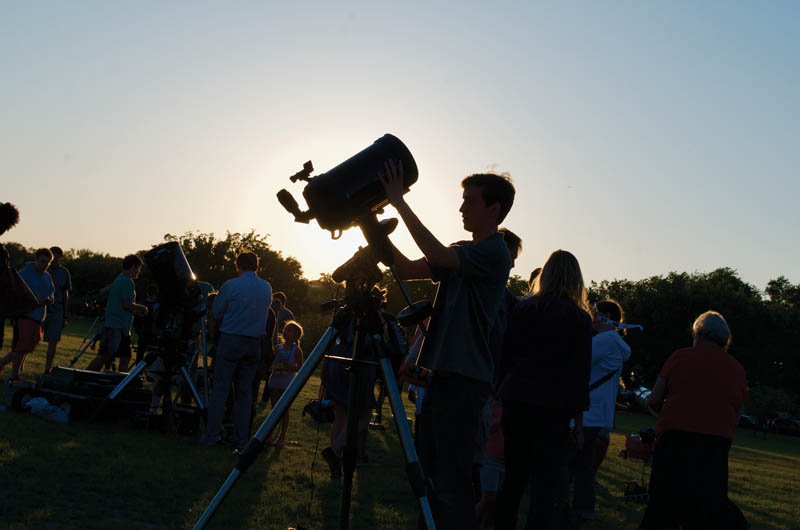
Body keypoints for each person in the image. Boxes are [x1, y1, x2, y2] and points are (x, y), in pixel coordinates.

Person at [378, 160, 515, 529]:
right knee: (432, 476)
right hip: (444, 377)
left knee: (452, 481)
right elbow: (407, 268)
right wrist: (370, 227)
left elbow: (439, 256)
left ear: (494, 209)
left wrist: (399, 203)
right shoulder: (463, 251)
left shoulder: (493, 252)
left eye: (469, 201)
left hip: (465, 381)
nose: (461, 208)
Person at [494, 249, 593, 530]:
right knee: (545, 485)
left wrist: (500, 392)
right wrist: (580, 424)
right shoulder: (579, 319)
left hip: (517, 400)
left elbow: (506, 355)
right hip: (554, 408)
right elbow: (579, 374)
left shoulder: (523, 309)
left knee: (513, 479)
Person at [640, 311, 749, 530]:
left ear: (697, 334)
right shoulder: (738, 370)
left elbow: (654, 398)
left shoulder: (680, 357)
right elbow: (737, 414)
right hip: (715, 443)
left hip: (674, 438)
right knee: (708, 502)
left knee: (663, 500)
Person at [201, 251, 271, 451]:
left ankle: (212, 435)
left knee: (220, 390)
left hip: (231, 339)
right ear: (257, 266)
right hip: (254, 342)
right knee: (245, 393)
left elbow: (217, 311)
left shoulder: (231, 285)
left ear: (237, 265)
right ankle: (241, 439)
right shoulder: (266, 287)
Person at [570, 299, 631, 522]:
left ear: (607, 317)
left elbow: (577, 360)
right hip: (595, 411)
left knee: (577, 460)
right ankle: (582, 507)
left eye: (596, 313)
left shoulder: (606, 340)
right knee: (583, 461)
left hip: (588, 411)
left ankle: (578, 507)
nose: (592, 317)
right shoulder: (611, 341)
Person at [86, 255, 149, 373]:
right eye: (138, 268)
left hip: (119, 326)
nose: (139, 271)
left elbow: (122, 305)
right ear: (133, 267)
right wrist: (142, 307)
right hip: (117, 327)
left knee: (125, 358)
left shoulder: (119, 279)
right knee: (105, 356)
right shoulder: (127, 282)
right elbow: (127, 304)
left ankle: (120, 384)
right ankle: (84, 375)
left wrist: (135, 311)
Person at [0, 248, 54, 380]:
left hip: (39, 316)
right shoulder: (24, 273)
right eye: (42, 262)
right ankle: (14, 376)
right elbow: (16, 292)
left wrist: (49, 299)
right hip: (25, 314)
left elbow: (51, 292)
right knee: (21, 347)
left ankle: (1, 364)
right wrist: (34, 301)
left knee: (28, 347)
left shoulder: (47, 276)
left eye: (47, 263)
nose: (44, 265)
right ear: (36, 259)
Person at [265, 320, 303, 446]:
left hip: (287, 382)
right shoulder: (277, 348)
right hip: (275, 380)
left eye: (290, 330)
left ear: (296, 335)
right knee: (274, 408)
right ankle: (269, 435)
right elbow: (271, 362)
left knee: (284, 410)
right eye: (286, 329)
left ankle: (282, 437)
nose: (286, 332)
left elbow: (300, 368)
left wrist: (289, 366)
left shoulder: (297, 351)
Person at [42, 246, 72, 374]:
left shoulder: (64, 272)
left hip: (57, 309)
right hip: (42, 307)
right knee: (32, 337)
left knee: (53, 341)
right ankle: (20, 364)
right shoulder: (42, 269)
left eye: (57, 256)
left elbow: (65, 294)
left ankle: (47, 369)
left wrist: (64, 314)